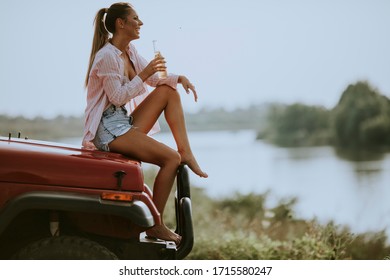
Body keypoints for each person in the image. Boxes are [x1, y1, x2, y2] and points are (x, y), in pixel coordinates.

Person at [82, 2, 208, 245]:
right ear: (121, 23)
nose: (140, 23)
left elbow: (153, 82)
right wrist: (145, 72)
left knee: (169, 92)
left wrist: (178, 78)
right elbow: (118, 96)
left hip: (121, 120)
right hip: (107, 128)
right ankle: (155, 225)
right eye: (136, 19)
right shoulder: (106, 56)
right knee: (170, 159)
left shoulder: (129, 51)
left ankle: (187, 151)